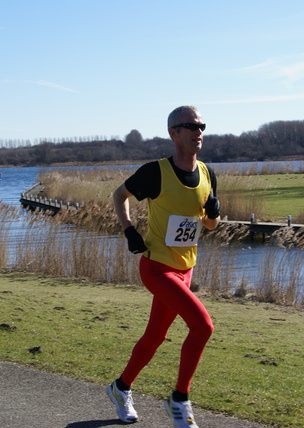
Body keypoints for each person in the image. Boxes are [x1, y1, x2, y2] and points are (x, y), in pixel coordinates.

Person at [107, 106, 221, 427]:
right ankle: (180, 399)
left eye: (201, 126)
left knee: (155, 336)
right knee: (203, 327)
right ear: (174, 133)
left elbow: (210, 226)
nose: (198, 132)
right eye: (190, 127)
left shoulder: (208, 174)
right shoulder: (156, 172)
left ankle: (120, 387)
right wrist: (129, 230)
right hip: (157, 268)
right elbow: (119, 195)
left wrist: (213, 212)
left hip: (186, 269)